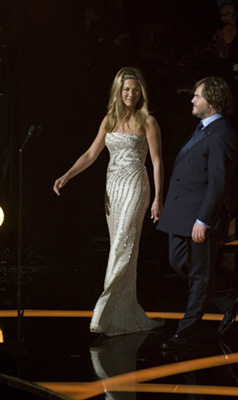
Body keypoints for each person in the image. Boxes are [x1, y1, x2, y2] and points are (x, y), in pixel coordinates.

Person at [53, 66, 164, 337]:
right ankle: (122, 315)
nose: (131, 94)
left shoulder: (148, 121)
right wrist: (67, 175)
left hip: (136, 187)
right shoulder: (108, 120)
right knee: (120, 246)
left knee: (123, 245)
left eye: (136, 90)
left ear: (142, 93)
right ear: (118, 91)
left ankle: (102, 311)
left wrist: (159, 197)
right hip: (112, 189)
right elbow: (91, 154)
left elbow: (158, 161)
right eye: (126, 89)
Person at [157, 76, 238, 350]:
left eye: (197, 95)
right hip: (182, 213)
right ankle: (229, 297)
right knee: (178, 262)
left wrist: (204, 220)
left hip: (200, 216)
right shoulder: (205, 128)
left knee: (200, 276)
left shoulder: (223, 133)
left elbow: (218, 182)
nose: (192, 99)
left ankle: (187, 331)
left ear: (213, 101)